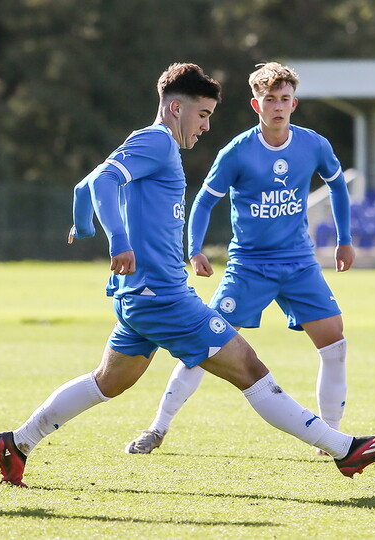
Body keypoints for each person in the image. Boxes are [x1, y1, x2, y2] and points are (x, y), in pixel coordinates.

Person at [0, 62, 375, 487]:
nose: (206, 126)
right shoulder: (156, 142)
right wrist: (118, 239)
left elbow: (86, 187)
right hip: (162, 297)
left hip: (142, 295)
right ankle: (345, 450)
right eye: (203, 115)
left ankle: (17, 442)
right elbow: (101, 184)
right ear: (174, 108)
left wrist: (83, 223)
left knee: (108, 381)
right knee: (251, 369)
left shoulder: (153, 144)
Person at [124, 62, 355, 455]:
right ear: (256, 104)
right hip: (249, 268)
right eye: (270, 100)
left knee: (335, 345)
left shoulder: (313, 144)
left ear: (294, 104)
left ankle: (330, 437)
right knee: (203, 345)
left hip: (299, 264)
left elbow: (337, 187)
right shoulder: (238, 151)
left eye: (285, 99)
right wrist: (194, 248)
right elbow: (204, 202)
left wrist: (344, 239)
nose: (278, 106)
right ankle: (157, 429)